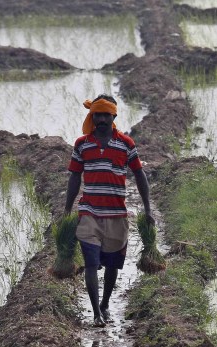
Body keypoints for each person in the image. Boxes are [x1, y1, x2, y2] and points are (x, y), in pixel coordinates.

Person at [64, 94, 154, 327]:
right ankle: (96, 313)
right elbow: (74, 177)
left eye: (106, 115)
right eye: (97, 115)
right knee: (91, 263)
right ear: (92, 116)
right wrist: (67, 211)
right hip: (89, 213)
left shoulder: (126, 144)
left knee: (113, 264)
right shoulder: (82, 144)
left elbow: (139, 175)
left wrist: (148, 209)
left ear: (114, 115)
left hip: (116, 214)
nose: (101, 119)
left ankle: (105, 304)